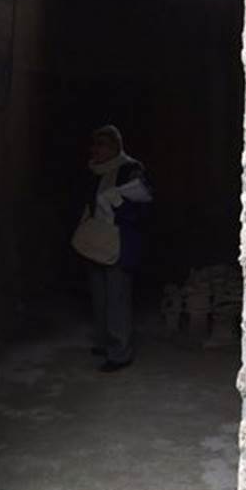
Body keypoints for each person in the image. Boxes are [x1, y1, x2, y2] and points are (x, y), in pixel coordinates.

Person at [76, 125, 152, 372]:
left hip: (120, 242)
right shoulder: (94, 172)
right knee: (99, 296)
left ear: (115, 147)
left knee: (117, 299)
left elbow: (142, 208)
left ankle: (120, 353)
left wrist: (117, 204)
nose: (96, 150)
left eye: (102, 145)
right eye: (94, 145)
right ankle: (104, 343)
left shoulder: (131, 171)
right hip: (96, 241)